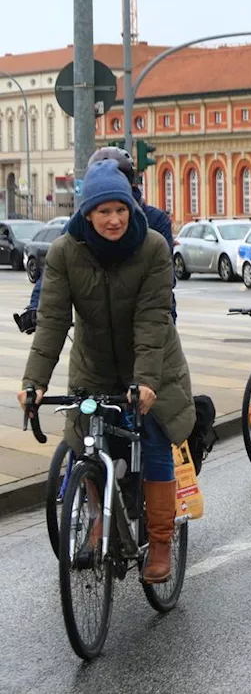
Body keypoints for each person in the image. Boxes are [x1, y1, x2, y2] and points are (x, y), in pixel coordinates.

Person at [20, 159, 194, 584]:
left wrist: (147, 381)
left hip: (155, 362)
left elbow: (153, 319)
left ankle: (160, 541)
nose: (114, 219)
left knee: (153, 436)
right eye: (104, 211)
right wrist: (34, 381)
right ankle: (97, 520)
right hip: (94, 363)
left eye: (121, 209)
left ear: (131, 209)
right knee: (83, 440)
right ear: (87, 214)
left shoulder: (152, 246)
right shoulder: (64, 251)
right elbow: (55, 320)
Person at [15, 146, 174, 334]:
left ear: (130, 185)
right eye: (103, 211)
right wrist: (35, 307)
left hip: (145, 318)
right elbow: (54, 271)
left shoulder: (155, 221)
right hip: (98, 325)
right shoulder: (80, 224)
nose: (113, 220)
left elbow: (165, 278)